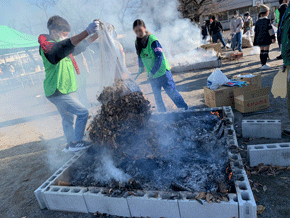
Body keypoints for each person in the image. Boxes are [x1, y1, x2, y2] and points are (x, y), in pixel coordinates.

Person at [38, 15, 100, 152]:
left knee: (67, 118)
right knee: (83, 112)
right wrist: (87, 31)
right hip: (56, 91)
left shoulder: (62, 47)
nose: (66, 38)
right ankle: (76, 142)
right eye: (64, 35)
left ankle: (70, 144)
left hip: (59, 90)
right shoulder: (48, 47)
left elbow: (78, 47)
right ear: (54, 32)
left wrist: (96, 35)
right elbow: (63, 47)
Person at [133, 19, 188, 112]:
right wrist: (141, 67)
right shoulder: (137, 42)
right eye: (136, 31)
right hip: (152, 75)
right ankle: (162, 114)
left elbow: (159, 57)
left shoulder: (153, 40)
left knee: (172, 92)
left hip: (163, 72)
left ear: (145, 28)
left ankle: (185, 109)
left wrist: (152, 72)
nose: (138, 33)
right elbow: (139, 55)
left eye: (140, 30)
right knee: (157, 97)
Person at [253, 5, 276, 70]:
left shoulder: (257, 22)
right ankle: (264, 64)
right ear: (267, 12)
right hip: (266, 38)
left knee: (262, 51)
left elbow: (256, 31)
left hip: (259, 39)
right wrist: (273, 37)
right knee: (266, 51)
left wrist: (255, 40)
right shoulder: (267, 21)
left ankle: (262, 64)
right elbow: (270, 30)